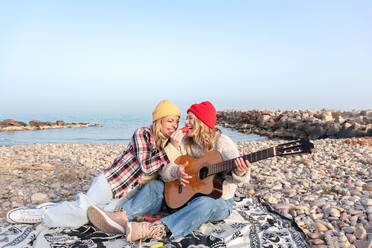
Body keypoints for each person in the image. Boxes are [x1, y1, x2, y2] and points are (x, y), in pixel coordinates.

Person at [87, 101, 252, 241]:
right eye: (186, 118)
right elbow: (165, 171)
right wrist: (177, 172)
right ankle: (122, 217)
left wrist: (241, 172)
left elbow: (240, 179)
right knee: (155, 186)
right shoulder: (184, 142)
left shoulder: (223, 143)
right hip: (186, 196)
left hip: (218, 201)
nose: (185, 123)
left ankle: (159, 229)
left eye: (190, 118)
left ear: (202, 122)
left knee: (205, 203)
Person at [6, 100, 184, 229]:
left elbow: (163, 173)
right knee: (85, 211)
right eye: (170, 120)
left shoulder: (168, 144)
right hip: (112, 182)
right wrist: (172, 148)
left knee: (101, 215)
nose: (174, 125)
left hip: (130, 193)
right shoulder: (143, 133)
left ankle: (53, 209)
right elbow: (146, 166)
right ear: (158, 120)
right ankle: (43, 215)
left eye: (176, 121)